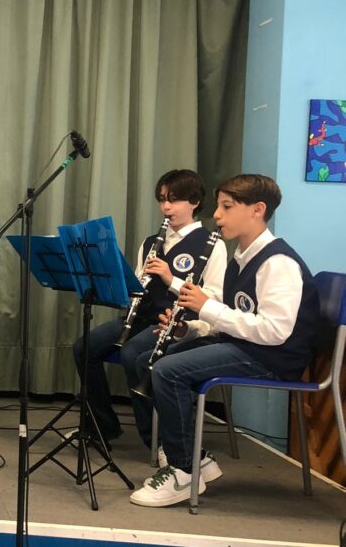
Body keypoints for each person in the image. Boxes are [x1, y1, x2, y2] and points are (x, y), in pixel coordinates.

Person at [129, 174, 320, 507]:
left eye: (227, 207)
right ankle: (197, 458)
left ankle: (183, 470)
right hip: (246, 345)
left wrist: (206, 307)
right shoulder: (241, 257)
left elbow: (275, 332)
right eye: (218, 206)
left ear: (258, 210)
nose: (216, 215)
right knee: (156, 358)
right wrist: (187, 329)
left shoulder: (278, 262)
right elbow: (229, 319)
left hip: (273, 358)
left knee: (168, 371)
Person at [72, 169, 227, 447]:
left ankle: (156, 439)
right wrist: (126, 285)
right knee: (84, 348)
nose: (166, 207)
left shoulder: (212, 245)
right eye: (162, 199)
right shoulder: (150, 243)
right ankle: (102, 425)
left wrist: (170, 279)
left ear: (194, 202)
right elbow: (137, 286)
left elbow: (214, 297)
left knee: (133, 353)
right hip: (142, 317)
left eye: (174, 200)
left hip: (178, 323)